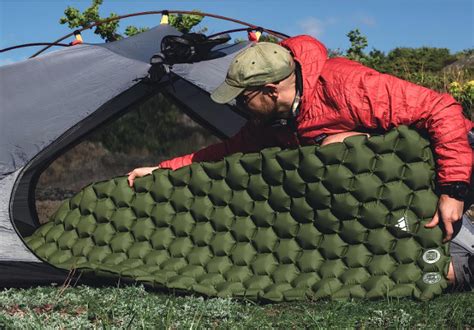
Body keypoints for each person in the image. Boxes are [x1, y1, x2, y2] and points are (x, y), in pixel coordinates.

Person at [128, 36, 473, 288]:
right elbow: (227, 152)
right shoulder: (273, 122)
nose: (238, 107)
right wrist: (163, 169)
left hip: (451, 159)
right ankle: (452, 251)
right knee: (434, 268)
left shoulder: (345, 85)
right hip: (393, 192)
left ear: (271, 90)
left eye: (244, 99)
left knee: (336, 148)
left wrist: (453, 190)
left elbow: (441, 108)